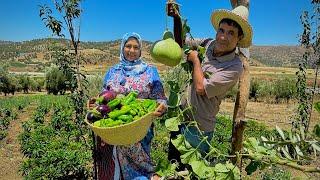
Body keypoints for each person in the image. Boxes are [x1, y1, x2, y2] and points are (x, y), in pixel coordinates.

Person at [166, 4, 253, 167]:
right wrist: (177, 19)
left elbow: (201, 88)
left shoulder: (234, 67)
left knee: (189, 172)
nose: (223, 37)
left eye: (231, 33)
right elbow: (181, 43)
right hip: (180, 119)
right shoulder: (208, 43)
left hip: (198, 129)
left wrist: (196, 60)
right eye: (222, 30)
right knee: (172, 166)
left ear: (239, 38)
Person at [89, 32, 166, 180]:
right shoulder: (112, 71)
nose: (131, 50)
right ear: (122, 48)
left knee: (141, 170)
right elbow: (103, 97)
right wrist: (95, 102)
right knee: (112, 169)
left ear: (140, 50)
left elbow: (160, 98)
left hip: (138, 130)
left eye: (136, 47)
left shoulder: (150, 71)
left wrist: (161, 107)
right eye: (128, 46)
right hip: (112, 129)